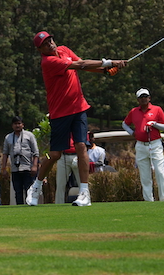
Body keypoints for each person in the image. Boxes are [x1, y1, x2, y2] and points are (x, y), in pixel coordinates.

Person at [32, 31, 127, 207]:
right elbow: (80, 65)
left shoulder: (64, 50)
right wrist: (109, 62)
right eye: (45, 44)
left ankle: (84, 193)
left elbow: (84, 65)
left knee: (81, 145)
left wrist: (105, 71)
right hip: (60, 112)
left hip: (79, 107)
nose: (50, 44)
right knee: (55, 154)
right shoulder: (48, 62)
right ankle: (36, 185)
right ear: (40, 50)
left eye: (50, 40)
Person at [122, 88, 164, 202]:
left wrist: (154, 124)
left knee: (159, 171)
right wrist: (132, 133)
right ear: (138, 99)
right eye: (141, 97)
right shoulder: (134, 112)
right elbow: (124, 124)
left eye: (145, 96)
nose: (144, 99)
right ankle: (148, 200)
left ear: (149, 98)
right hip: (140, 145)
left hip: (155, 144)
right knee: (144, 175)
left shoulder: (157, 109)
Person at [0, 115, 39, 205]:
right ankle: (20, 209)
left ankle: (30, 206)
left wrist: (34, 166)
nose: (17, 126)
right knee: (17, 191)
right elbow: (5, 153)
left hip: (27, 168)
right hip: (15, 169)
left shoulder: (29, 136)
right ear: (12, 125)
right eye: (15, 124)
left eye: (19, 123)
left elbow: (36, 152)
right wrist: (4, 169)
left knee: (29, 190)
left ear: (23, 125)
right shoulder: (8, 137)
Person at [55, 135, 80, 204]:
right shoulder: (62, 128)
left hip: (77, 155)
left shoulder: (79, 127)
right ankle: (59, 204)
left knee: (82, 183)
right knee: (60, 184)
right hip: (63, 156)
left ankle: (85, 200)